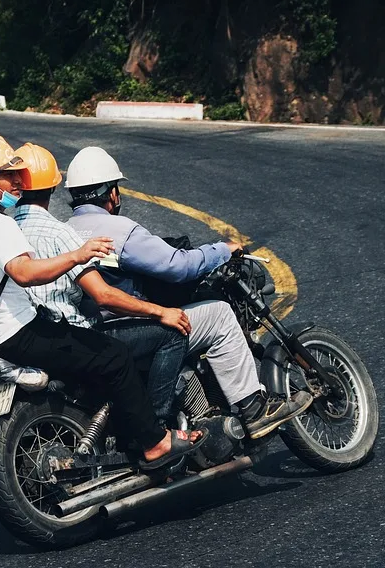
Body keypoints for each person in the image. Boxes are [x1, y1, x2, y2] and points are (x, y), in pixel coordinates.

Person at [0, 133, 203, 469]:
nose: (17, 180)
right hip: (17, 333)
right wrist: (77, 255)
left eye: (19, 174)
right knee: (115, 356)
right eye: (8, 174)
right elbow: (26, 272)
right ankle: (155, 441)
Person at [65, 146, 313, 439]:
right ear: (111, 193)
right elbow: (177, 266)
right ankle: (254, 410)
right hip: (128, 326)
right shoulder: (119, 230)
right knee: (219, 314)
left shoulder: (65, 230)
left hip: (91, 332)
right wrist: (222, 250)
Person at [10, 142, 191, 425]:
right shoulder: (61, 233)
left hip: (25, 337)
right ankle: (157, 430)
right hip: (71, 335)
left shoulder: (5, 230)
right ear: (53, 187)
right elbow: (103, 295)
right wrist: (160, 311)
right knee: (171, 335)